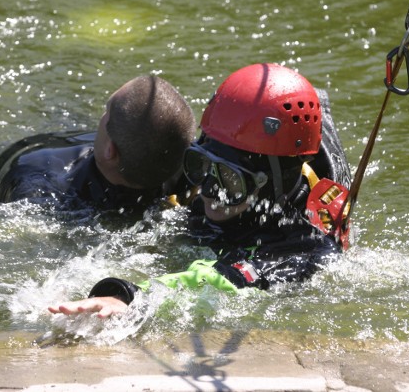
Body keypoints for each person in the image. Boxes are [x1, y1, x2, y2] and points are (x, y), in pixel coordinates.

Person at [48, 63, 352, 318]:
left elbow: (211, 280)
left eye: (229, 181)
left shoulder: (299, 250)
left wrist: (128, 297)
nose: (206, 190)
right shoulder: (225, 177)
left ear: (266, 185)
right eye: (201, 166)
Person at [0, 75, 197, 213]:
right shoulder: (193, 175)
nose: (102, 117)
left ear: (110, 151)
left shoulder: (34, 181)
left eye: (107, 112)